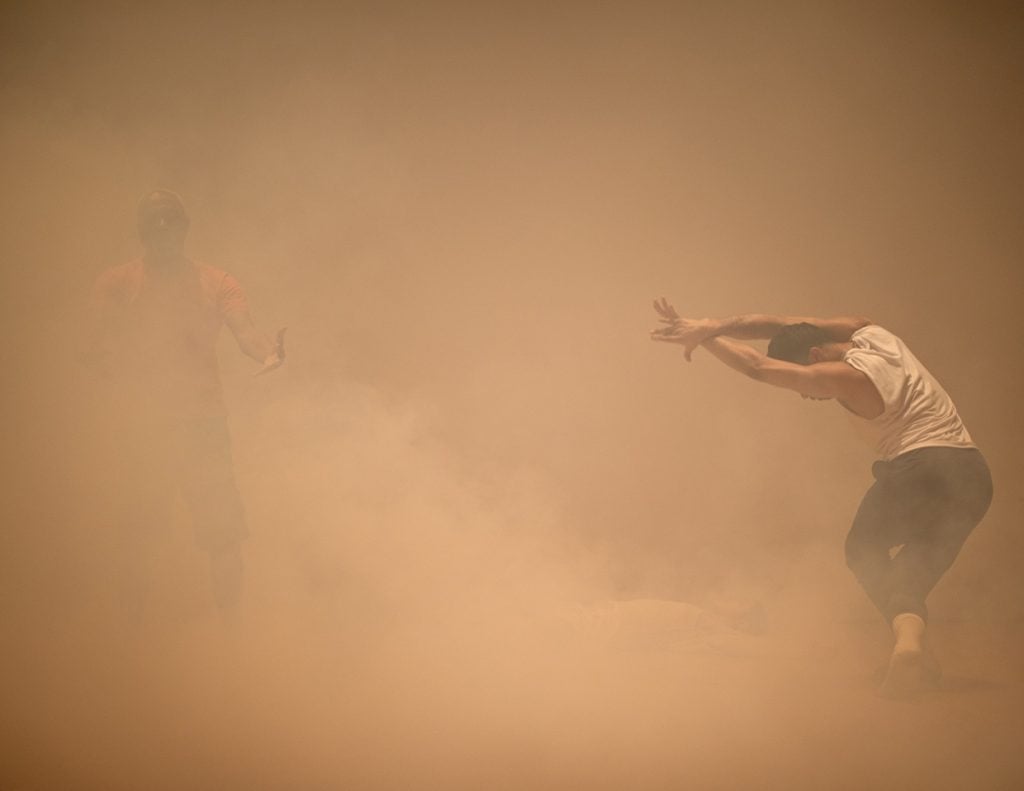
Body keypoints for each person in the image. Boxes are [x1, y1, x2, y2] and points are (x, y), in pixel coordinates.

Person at [650, 299, 992, 698]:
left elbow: (758, 368)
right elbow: (775, 322)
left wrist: (707, 336)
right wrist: (711, 322)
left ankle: (911, 642)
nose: (804, 393)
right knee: (910, 572)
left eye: (802, 378)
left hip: (922, 469)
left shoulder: (849, 378)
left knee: (862, 550)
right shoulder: (870, 332)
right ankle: (911, 647)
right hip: (973, 477)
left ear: (814, 356)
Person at [86, 190, 285, 621]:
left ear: (184, 230)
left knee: (224, 533)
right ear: (142, 234)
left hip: (202, 425)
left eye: (170, 226)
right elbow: (94, 343)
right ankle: (130, 637)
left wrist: (268, 353)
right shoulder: (118, 283)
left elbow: (245, 331)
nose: (163, 237)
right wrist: (103, 373)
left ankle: (230, 634)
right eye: (154, 228)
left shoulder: (217, 282)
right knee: (136, 536)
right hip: (145, 427)